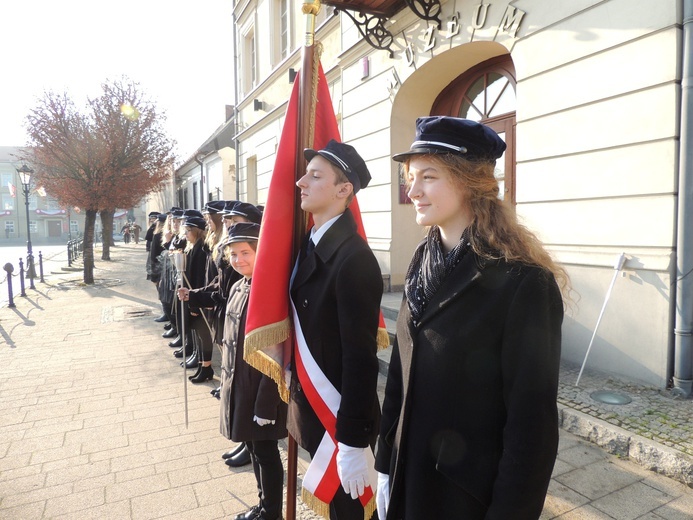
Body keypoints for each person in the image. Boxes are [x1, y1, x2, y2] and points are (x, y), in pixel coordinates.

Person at [375, 116, 568, 520]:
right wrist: (384, 464)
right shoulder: (420, 263)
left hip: (463, 497)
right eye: (410, 177)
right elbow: (400, 373)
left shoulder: (524, 283)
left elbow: (531, 426)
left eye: (428, 176)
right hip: (408, 477)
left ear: (468, 181)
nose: (412, 191)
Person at [289, 140, 383, 519]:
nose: (300, 182)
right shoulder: (307, 245)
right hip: (312, 407)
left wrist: (351, 442)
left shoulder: (354, 259)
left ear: (344, 190)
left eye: (315, 176)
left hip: (340, 419)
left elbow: (361, 360)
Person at [209, 221, 287, 520]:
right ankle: (263, 505)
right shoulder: (239, 284)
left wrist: (267, 403)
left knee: (267, 454)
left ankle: (272, 513)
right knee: (254, 450)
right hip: (240, 385)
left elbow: (277, 351)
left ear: (260, 252)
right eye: (233, 254)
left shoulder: (269, 290)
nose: (238, 260)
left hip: (260, 391)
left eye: (245, 252)